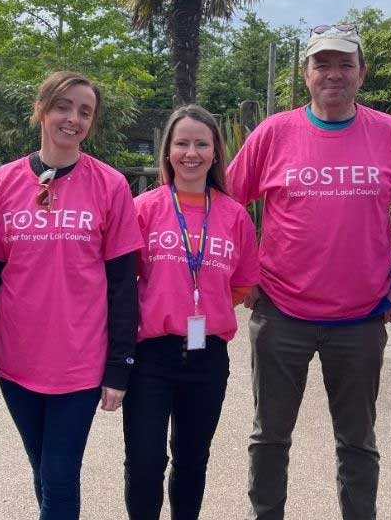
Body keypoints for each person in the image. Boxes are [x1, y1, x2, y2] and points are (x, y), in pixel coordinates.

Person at [227, 23, 391, 520]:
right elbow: (228, 206)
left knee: (357, 440)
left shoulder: (390, 135)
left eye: (345, 63)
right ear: (306, 74)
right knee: (270, 436)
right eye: (322, 63)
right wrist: (248, 275)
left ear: (361, 73)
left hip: (361, 317)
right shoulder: (275, 133)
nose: (334, 73)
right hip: (281, 315)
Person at [0, 71, 144, 520]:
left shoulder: (110, 186)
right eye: (64, 106)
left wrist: (120, 364)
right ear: (42, 110)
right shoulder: (2, 184)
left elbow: (124, 283)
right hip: (17, 359)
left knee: (61, 475)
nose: (73, 118)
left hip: (81, 361)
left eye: (85, 111)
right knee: (44, 471)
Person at [125, 104, 260, 520]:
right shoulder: (143, 208)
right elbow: (122, 280)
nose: (191, 153)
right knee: (145, 464)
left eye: (202, 143)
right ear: (167, 151)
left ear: (216, 152)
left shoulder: (234, 214)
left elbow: (242, 284)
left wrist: (201, 305)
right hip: (151, 356)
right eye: (181, 143)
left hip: (207, 356)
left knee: (192, 459)